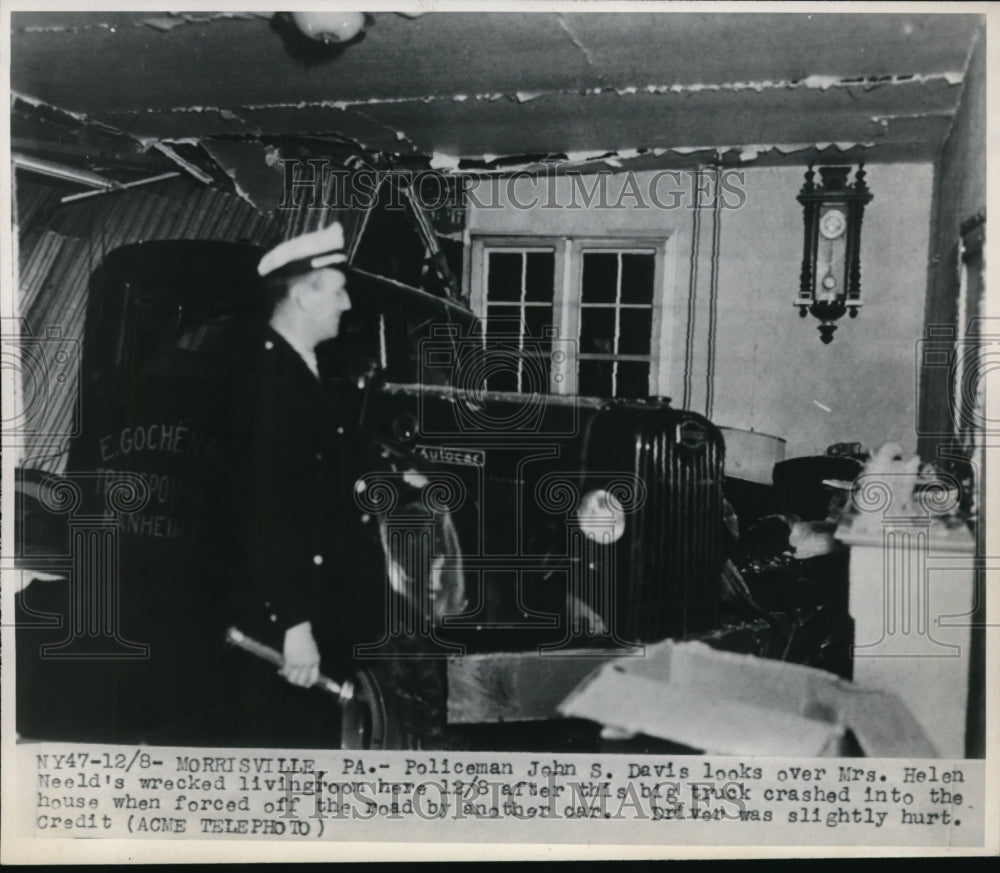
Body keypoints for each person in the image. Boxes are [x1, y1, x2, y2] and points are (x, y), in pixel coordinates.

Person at [221, 222, 379, 744]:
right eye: (337, 290)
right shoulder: (265, 382)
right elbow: (261, 510)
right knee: (284, 752)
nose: (347, 303)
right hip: (283, 623)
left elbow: (319, 471)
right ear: (305, 296)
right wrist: (293, 624)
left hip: (312, 609)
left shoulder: (298, 370)